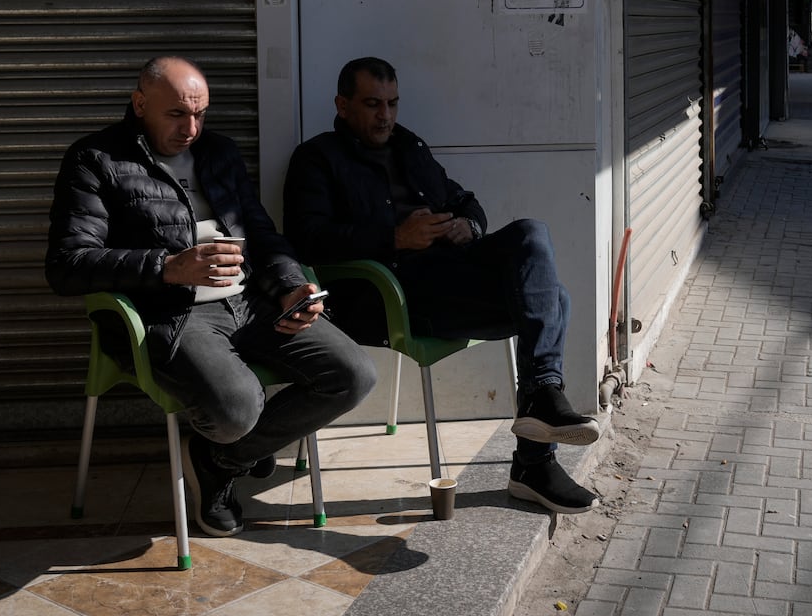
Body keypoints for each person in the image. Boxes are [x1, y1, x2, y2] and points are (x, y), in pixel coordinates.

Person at [46, 56, 376, 537]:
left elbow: (260, 235)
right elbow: (67, 265)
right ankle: (236, 445)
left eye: (200, 114)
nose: (191, 128)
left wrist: (288, 288)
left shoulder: (219, 153)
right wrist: (167, 267)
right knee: (238, 408)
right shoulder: (96, 159)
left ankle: (220, 459)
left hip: (250, 304)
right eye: (177, 114)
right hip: (171, 313)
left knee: (353, 375)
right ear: (140, 104)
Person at [282, 56, 602, 515]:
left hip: (453, 270)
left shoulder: (409, 145)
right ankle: (536, 446)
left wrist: (468, 225)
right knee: (555, 299)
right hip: (394, 292)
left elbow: (464, 199)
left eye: (392, 103)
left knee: (531, 233)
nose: (385, 116)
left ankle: (541, 402)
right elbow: (306, 240)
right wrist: (394, 237)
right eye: (373, 104)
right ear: (342, 104)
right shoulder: (317, 159)